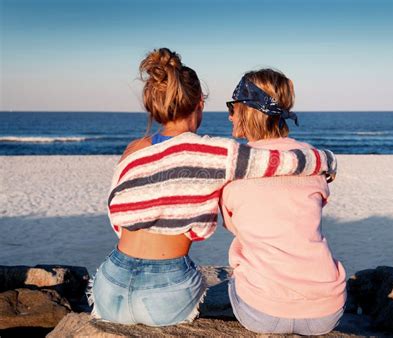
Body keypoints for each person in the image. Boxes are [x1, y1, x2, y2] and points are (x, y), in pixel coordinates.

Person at [90, 48, 336, 327]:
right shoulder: (215, 154)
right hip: (164, 292)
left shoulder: (133, 150)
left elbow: (116, 213)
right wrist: (326, 159)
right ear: (200, 104)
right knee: (198, 279)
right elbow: (277, 161)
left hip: (109, 284)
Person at [220, 69, 346, 335]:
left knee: (234, 275)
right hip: (326, 310)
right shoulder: (311, 160)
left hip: (262, 311)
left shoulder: (235, 169)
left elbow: (233, 226)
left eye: (233, 107)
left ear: (247, 110)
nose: (230, 115)